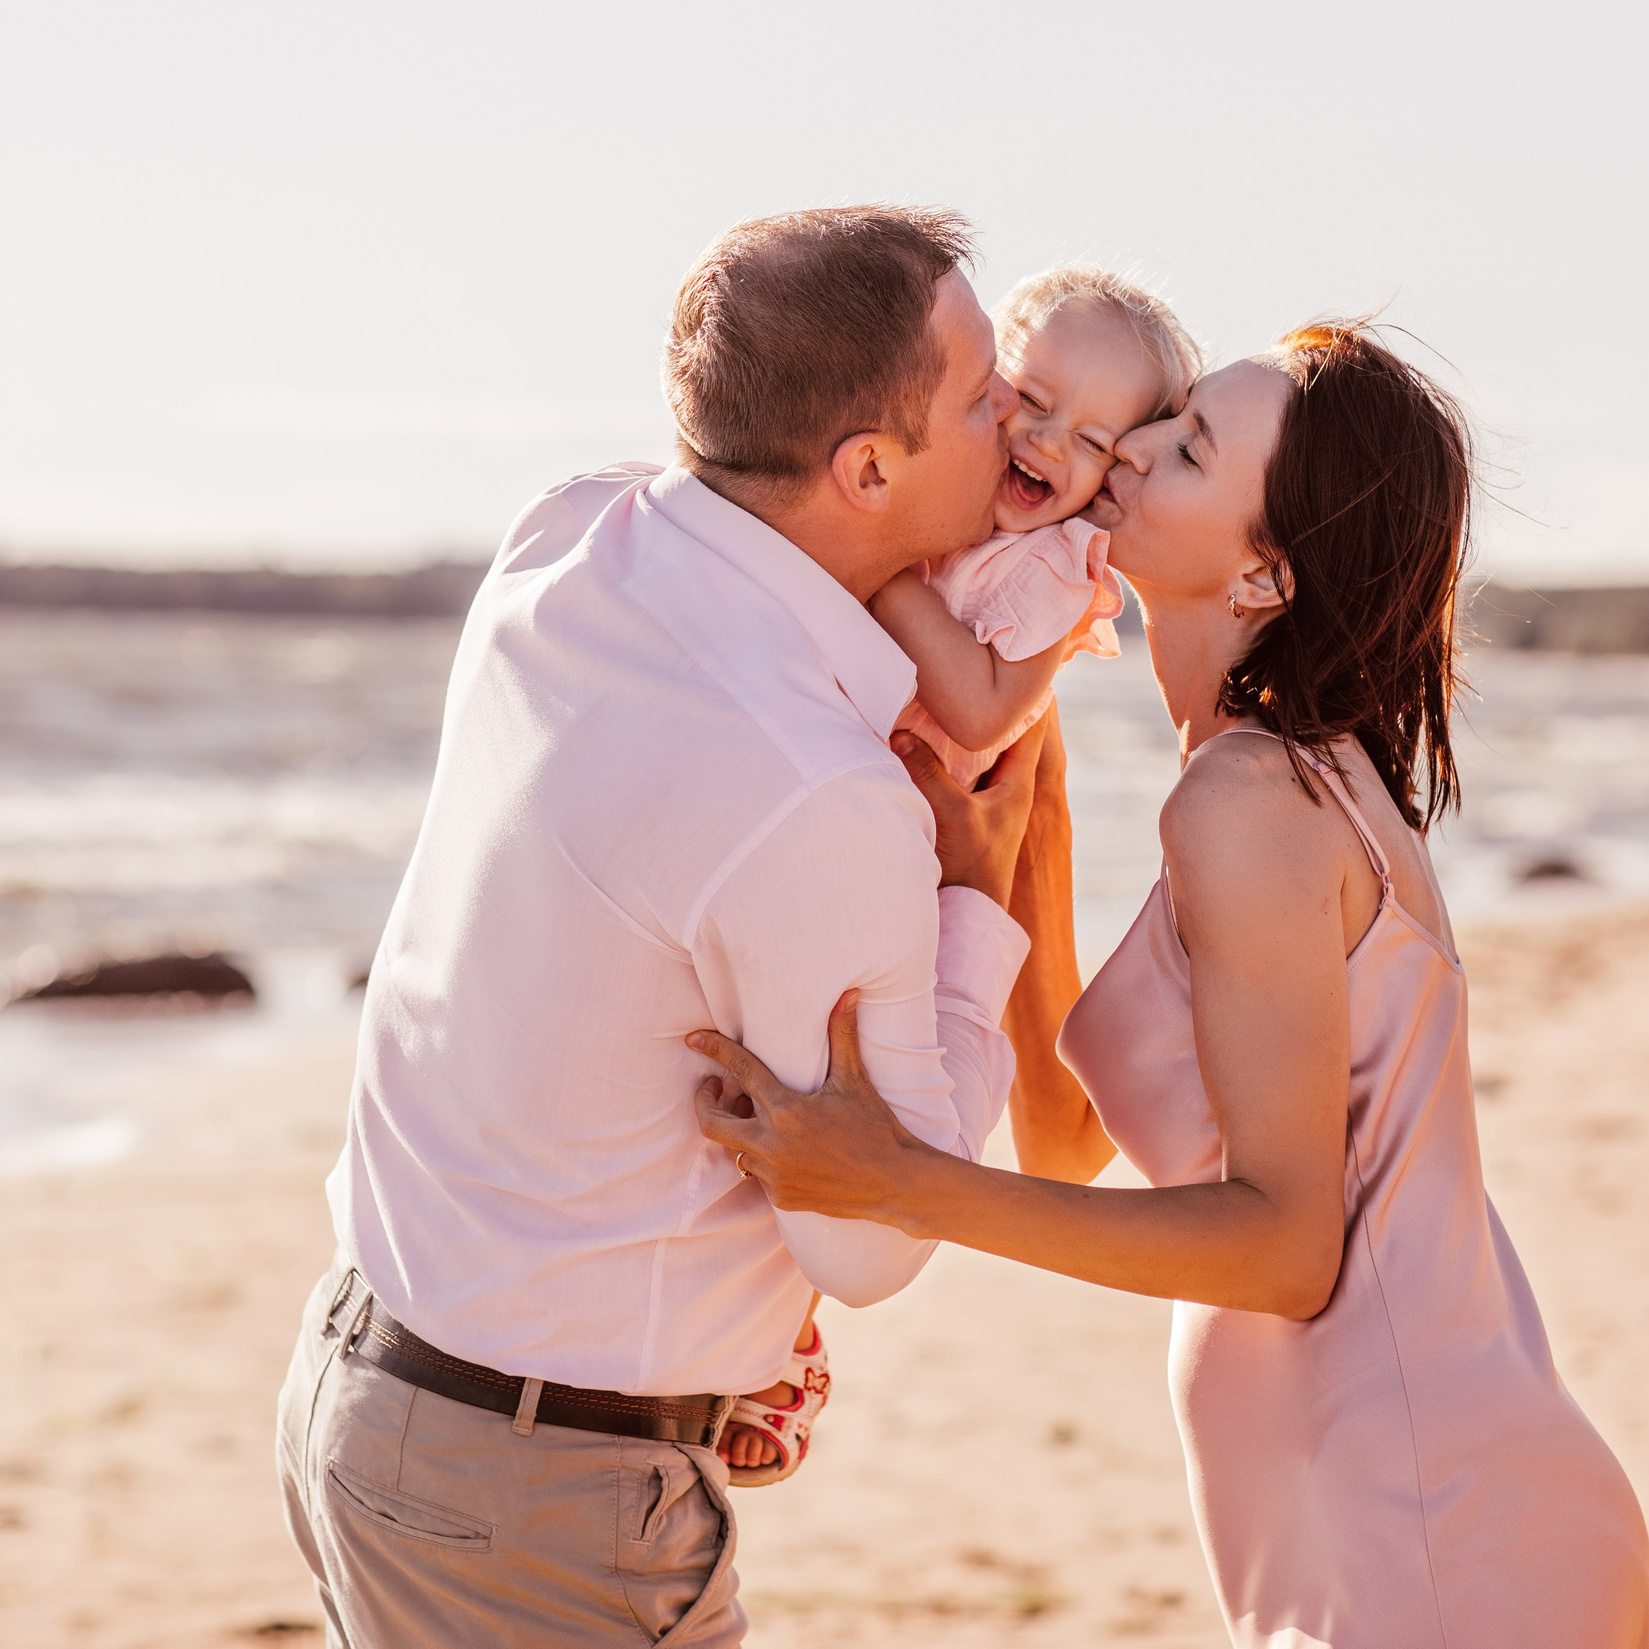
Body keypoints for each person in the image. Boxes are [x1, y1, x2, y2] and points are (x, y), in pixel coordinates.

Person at [690, 322, 1649, 1646]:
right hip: (1385, 1506)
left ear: (1263, 566)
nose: (1129, 450)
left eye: (1187, 445)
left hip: (1424, 1534)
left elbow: (1284, 1245)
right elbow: (1073, 1141)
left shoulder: (1250, 801)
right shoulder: (1277, 776)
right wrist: (999, 863)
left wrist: (899, 1187)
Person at [274, 205, 1047, 1648]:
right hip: (533, 1497)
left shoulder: (568, 536)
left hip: (363, 1388)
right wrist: (978, 896)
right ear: (866, 466)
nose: (1015, 416)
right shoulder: (812, 795)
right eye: (982, 392)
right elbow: (874, 1242)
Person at [870, 265, 1201, 789]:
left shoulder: (1057, 563)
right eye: (1032, 402)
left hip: (909, 802)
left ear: (1113, 475)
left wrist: (882, 569)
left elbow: (982, 714)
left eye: (1092, 442)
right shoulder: (930, 482)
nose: (1049, 442)